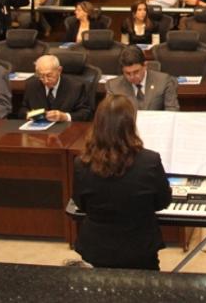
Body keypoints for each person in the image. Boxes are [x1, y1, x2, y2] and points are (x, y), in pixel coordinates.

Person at [73, 95, 171, 270]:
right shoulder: (150, 161)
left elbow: (81, 204)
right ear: (131, 125)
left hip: (97, 250)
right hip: (140, 249)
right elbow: (163, 201)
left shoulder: (81, 163)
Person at [18, 55, 94, 122]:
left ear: (59, 70)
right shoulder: (32, 86)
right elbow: (23, 109)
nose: (45, 80)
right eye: (41, 76)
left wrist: (65, 117)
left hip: (66, 130)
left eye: (49, 75)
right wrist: (28, 115)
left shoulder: (75, 87)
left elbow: (86, 113)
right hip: (39, 130)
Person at [105, 46, 179, 111]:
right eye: (127, 73)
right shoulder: (113, 86)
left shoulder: (164, 81)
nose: (132, 77)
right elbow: (111, 115)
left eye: (136, 72)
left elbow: (172, 111)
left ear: (145, 66)